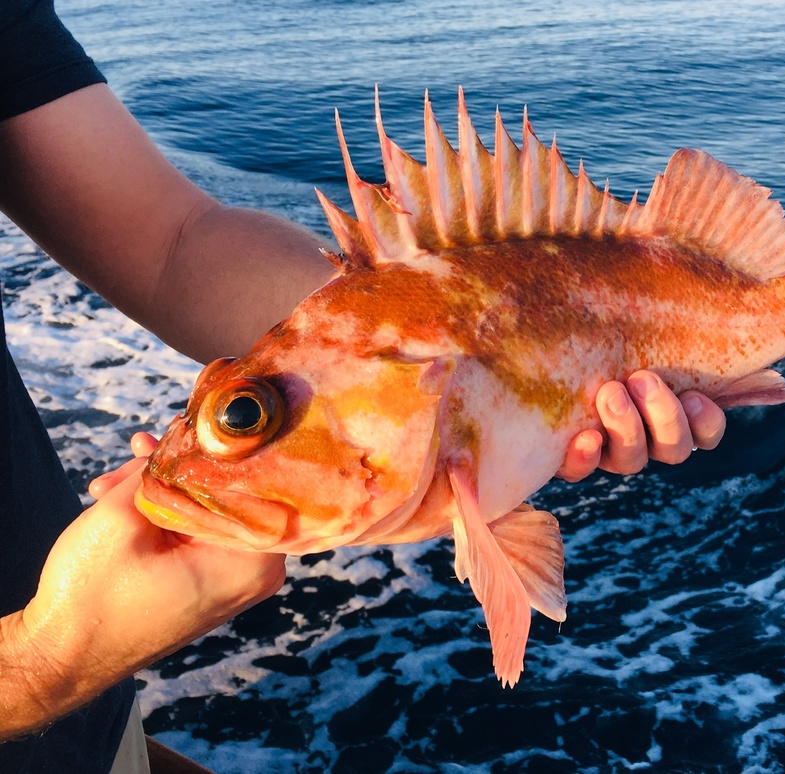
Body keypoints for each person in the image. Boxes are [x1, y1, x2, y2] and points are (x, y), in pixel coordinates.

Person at [0, 0, 726, 770]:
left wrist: (467, 333)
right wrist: (45, 660)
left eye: (243, 414)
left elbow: (173, 245)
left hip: (101, 735)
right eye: (243, 418)